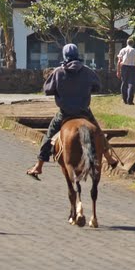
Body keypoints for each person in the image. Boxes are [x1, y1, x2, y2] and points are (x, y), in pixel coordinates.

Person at [27, 44, 118, 178]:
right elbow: (97, 87)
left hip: (65, 113)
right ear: (77, 55)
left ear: (64, 56)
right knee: (98, 131)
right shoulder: (87, 71)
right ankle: (109, 158)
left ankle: (39, 166)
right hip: (84, 112)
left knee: (49, 135)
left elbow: (47, 90)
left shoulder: (58, 72)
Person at [116, 37, 135, 105]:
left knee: (124, 83)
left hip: (124, 67)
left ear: (127, 43)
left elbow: (119, 61)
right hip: (132, 67)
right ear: (133, 44)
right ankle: (130, 100)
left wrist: (118, 71)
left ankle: (124, 99)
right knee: (131, 84)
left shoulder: (123, 50)